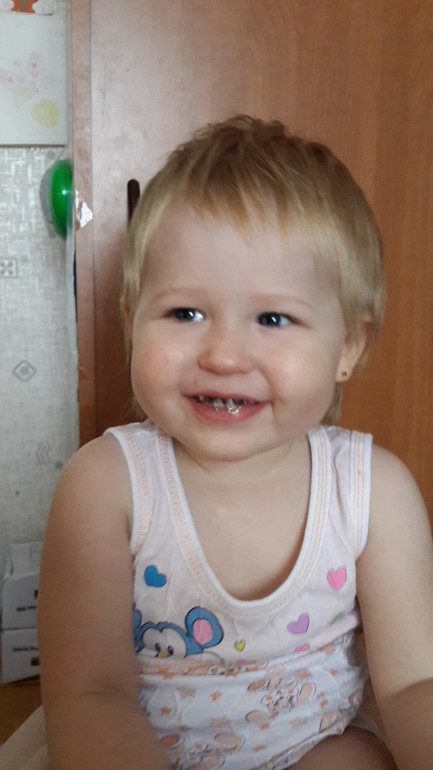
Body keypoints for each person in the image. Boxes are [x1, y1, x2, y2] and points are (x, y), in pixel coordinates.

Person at [21, 116, 433, 769]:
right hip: (136, 746)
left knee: (355, 759)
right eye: (185, 313)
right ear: (132, 320)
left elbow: (413, 684)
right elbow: (91, 694)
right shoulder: (105, 485)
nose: (223, 354)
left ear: (347, 348)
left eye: (273, 318)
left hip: (312, 744)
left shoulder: (372, 492)